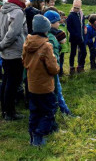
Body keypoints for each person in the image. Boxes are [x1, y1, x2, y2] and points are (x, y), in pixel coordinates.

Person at [23, 15, 60, 146]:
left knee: (34, 111)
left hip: (32, 85)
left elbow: (24, 61)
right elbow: (52, 68)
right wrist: (57, 67)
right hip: (45, 86)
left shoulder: (27, 42)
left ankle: (32, 134)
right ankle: (39, 134)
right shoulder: (47, 46)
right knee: (49, 111)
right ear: (45, 30)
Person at [0, 0, 28, 120]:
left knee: (6, 80)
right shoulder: (18, 12)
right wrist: (0, 45)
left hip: (5, 52)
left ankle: (5, 109)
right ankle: (10, 113)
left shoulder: (3, 9)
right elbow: (13, 34)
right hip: (15, 52)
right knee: (12, 83)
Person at [44, 10, 72, 115]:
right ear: (51, 23)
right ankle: (64, 112)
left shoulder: (49, 34)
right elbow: (52, 56)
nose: (59, 23)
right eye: (57, 22)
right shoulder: (51, 38)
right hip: (52, 68)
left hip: (48, 69)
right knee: (57, 90)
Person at [66, 0, 87, 74]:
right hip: (74, 38)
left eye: (78, 8)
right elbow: (69, 27)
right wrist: (75, 34)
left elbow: (83, 23)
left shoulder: (81, 14)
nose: (76, 9)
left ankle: (80, 66)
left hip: (81, 37)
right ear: (73, 6)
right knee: (73, 53)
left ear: (80, 7)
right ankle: (71, 67)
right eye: (75, 7)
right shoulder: (71, 16)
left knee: (84, 52)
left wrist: (84, 28)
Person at [58, 11, 70, 76]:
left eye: (63, 18)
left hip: (63, 45)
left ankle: (61, 71)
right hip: (59, 46)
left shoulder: (64, 26)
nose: (62, 20)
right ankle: (59, 72)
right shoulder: (58, 26)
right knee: (58, 59)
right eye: (61, 18)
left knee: (62, 59)